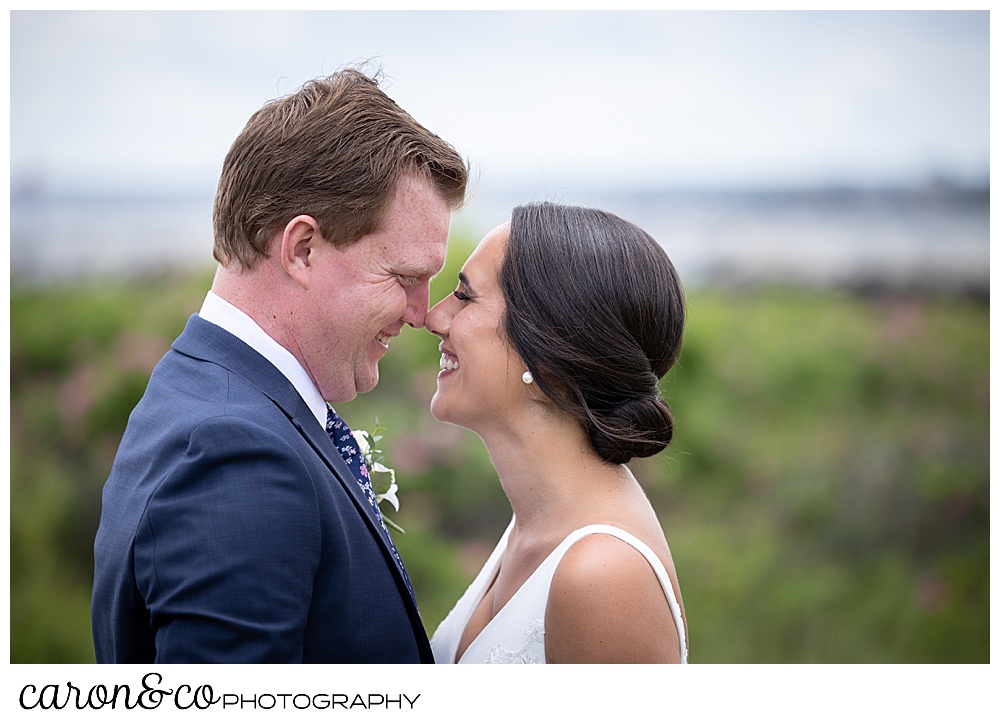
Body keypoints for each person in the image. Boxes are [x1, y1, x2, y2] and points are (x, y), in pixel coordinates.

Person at [91, 69, 468, 663]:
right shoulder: (234, 453)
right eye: (405, 278)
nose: (422, 314)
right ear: (303, 249)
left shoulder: (201, 391)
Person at [426, 202, 688, 664]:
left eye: (465, 296)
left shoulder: (604, 575)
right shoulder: (535, 522)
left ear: (545, 347)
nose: (434, 318)